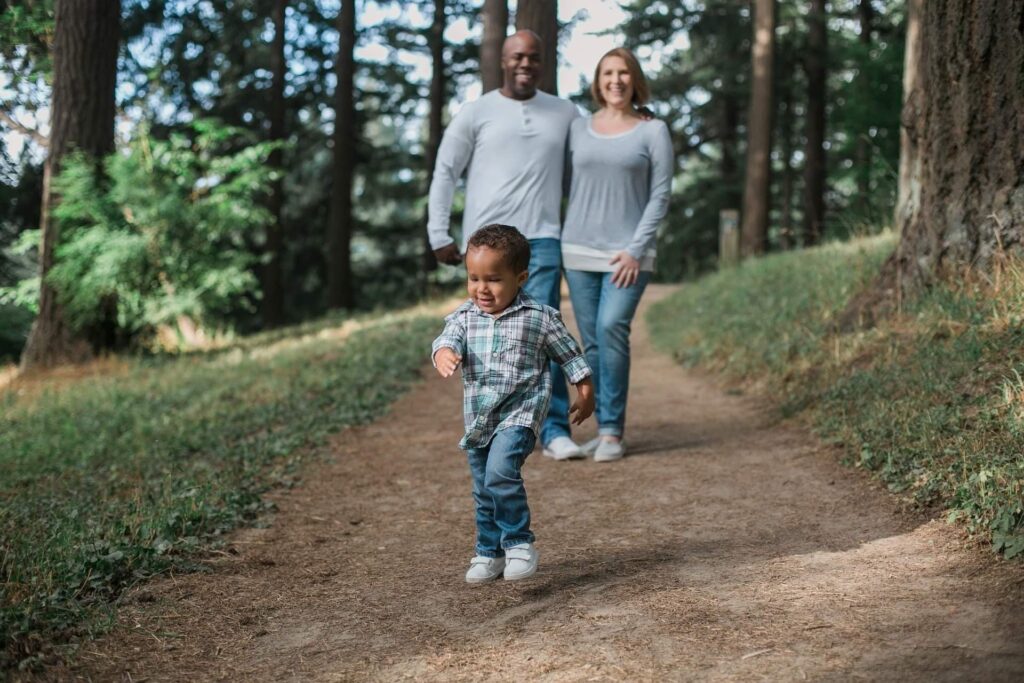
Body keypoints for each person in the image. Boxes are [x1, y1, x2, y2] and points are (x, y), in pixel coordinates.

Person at [427, 30, 586, 461]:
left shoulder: (566, 112)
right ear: (502, 60)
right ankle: (498, 424)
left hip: (543, 238)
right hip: (486, 243)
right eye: (517, 56)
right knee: (485, 338)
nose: (525, 64)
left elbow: (592, 161)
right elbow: (446, 170)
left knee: (544, 332)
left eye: (534, 57)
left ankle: (552, 431)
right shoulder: (476, 112)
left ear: (543, 62)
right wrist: (438, 233)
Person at [432, 225, 594, 583]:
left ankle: (520, 543)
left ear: (520, 278)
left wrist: (585, 392)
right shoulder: (464, 317)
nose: (481, 289)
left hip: (520, 413)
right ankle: (490, 552)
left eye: (493, 279)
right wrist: (444, 353)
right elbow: (446, 340)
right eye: (473, 278)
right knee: (483, 488)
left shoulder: (538, 318)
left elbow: (570, 357)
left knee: (501, 473)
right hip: (479, 419)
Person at [561, 47, 673, 463]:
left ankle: (612, 432)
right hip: (577, 249)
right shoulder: (578, 128)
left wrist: (635, 249)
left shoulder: (653, 131)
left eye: (624, 73)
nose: (616, 80)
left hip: (629, 254)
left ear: (635, 79)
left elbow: (661, 195)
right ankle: (603, 425)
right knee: (590, 342)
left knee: (611, 328)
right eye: (608, 72)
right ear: (598, 81)